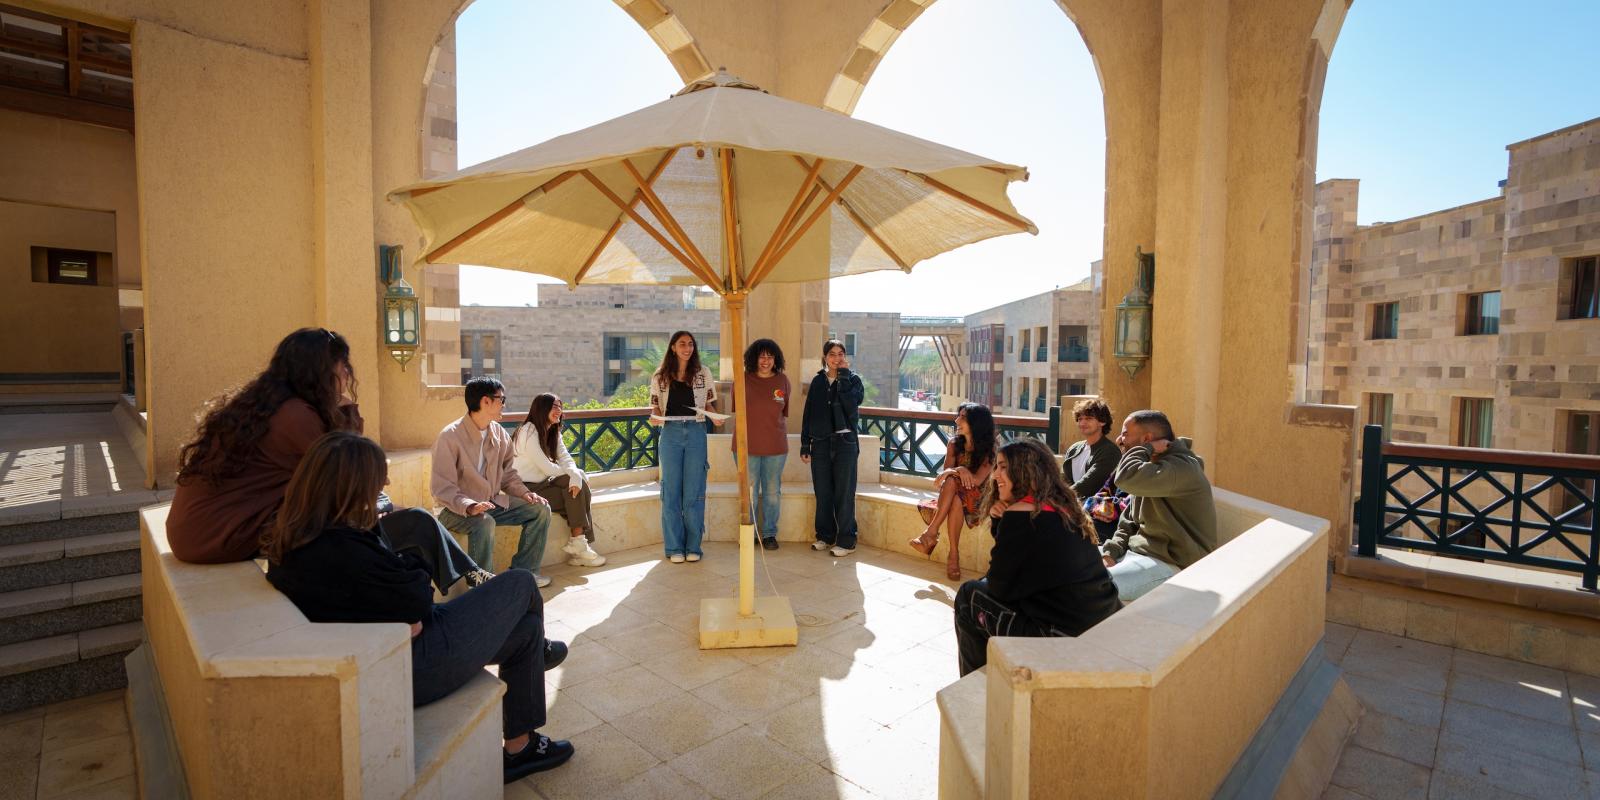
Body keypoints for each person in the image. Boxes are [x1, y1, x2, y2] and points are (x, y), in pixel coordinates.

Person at [262, 432, 575, 784]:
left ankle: (520, 746)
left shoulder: (301, 536)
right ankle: (542, 658)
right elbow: (417, 596)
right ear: (350, 488)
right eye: (377, 482)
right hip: (412, 665)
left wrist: (401, 587)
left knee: (526, 631)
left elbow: (399, 599)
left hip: (396, 647)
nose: (386, 486)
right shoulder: (342, 548)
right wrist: (405, 571)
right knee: (520, 583)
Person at [167, 328, 492, 591]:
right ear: (321, 371)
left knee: (391, 518)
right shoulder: (295, 417)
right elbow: (356, 477)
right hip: (222, 539)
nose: (347, 373)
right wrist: (347, 406)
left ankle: (465, 579)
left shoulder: (265, 406)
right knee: (414, 522)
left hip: (196, 535)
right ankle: (468, 585)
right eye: (342, 366)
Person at [953, 438, 1121, 676]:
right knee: (984, 585)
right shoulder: (1063, 507)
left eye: (1003, 467)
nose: (994, 475)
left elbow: (1000, 586)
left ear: (1025, 471)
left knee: (969, 596)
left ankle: (976, 690)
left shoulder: (1021, 514)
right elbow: (1023, 567)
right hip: (1096, 624)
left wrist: (1002, 520)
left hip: (1060, 640)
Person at [433, 378, 555, 587]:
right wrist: (470, 506)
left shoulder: (499, 433)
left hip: (491, 503)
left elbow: (508, 474)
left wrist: (525, 493)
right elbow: (442, 488)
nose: (504, 404)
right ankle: (482, 583)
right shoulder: (449, 437)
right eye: (501, 399)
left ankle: (525, 571)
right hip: (454, 510)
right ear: (485, 402)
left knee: (540, 510)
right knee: (484, 521)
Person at [1100, 410, 1218, 602]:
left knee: (1096, 591)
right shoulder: (1150, 468)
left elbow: (1124, 478)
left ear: (1147, 439)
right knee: (1071, 563)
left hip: (1171, 564)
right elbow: (1128, 521)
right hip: (1136, 554)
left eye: (1125, 434)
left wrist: (1144, 448)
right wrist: (1110, 552)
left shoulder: (1182, 469)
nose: (1119, 440)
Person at [647, 331, 723, 563]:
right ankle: (673, 548)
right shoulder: (660, 376)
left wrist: (715, 418)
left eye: (690, 344)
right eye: (682, 344)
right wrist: (655, 418)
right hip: (670, 434)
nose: (687, 348)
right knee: (670, 491)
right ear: (673, 347)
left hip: (696, 432)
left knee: (694, 491)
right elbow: (655, 408)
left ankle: (693, 547)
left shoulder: (703, 373)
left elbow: (709, 402)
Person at [512, 393, 606, 568]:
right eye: (554, 406)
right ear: (542, 408)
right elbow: (547, 467)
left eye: (560, 407)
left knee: (577, 488)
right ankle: (580, 546)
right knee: (576, 490)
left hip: (543, 484)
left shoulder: (552, 431)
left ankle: (579, 544)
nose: (559, 411)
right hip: (524, 490)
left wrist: (575, 474)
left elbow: (565, 458)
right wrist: (576, 475)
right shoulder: (528, 431)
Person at [909, 403, 997, 580]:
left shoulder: (989, 448)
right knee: (955, 497)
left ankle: (931, 535)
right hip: (955, 495)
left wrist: (959, 470)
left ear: (976, 423)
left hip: (979, 499)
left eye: (963, 417)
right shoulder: (954, 444)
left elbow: (978, 481)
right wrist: (959, 471)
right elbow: (946, 477)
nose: (957, 420)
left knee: (953, 484)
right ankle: (953, 555)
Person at [800, 339, 864, 557]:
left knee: (844, 493)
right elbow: (809, 414)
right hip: (820, 443)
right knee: (823, 492)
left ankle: (847, 541)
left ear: (845, 357)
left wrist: (843, 378)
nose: (837, 358)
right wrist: (804, 444)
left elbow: (851, 406)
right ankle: (825, 536)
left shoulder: (853, 380)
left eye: (840, 354)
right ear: (825, 357)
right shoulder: (818, 382)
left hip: (845, 443)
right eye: (832, 354)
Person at [736, 338, 791, 550]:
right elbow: (737, 411)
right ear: (754, 358)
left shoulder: (783, 381)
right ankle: (748, 533)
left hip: (776, 447)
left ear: (775, 359)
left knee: (771, 491)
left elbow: (783, 412)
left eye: (770, 356)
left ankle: (769, 534)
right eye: (761, 356)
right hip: (746, 446)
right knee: (748, 491)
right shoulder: (742, 380)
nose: (766, 360)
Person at [1062, 398, 1120, 500]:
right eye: (1080, 419)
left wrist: (1059, 498)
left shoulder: (1110, 451)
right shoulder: (1074, 449)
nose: (1082, 423)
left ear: (1102, 422)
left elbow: (1090, 483)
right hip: (1072, 505)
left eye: (1088, 418)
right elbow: (1065, 480)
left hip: (1095, 510)